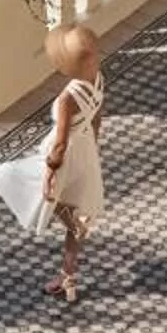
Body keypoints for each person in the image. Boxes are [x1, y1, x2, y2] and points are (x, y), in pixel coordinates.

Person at [39, 23, 105, 301]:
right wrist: (94, 143)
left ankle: (73, 222)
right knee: (76, 206)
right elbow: (98, 115)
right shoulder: (98, 79)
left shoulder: (68, 98)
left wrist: (51, 169)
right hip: (86, 145)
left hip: (67, 155)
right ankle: (68, 277)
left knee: (48, 200)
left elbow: (61, 143)